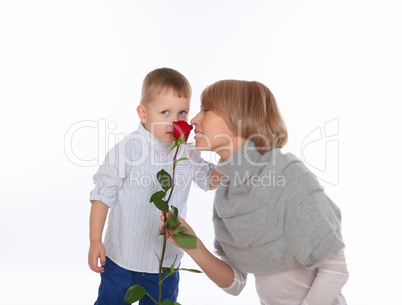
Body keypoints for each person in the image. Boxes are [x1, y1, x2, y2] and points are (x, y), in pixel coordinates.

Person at [162, 80, 349, 305]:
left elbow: (335, 269)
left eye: (206, 110)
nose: (193, 120)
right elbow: (236, 283)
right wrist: (193, 245)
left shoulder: (287, 174)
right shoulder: (229, 189)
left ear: (238, 117)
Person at [88, 68, 219, 305]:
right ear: (144, 114)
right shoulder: (128, 149)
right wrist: (95, 240)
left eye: (182, 112)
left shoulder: (187, 153)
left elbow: (209, 180)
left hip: (165, 262)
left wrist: (232, 163)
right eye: (165, 112)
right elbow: (103, 194)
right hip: (122, 257)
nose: (175, 120)